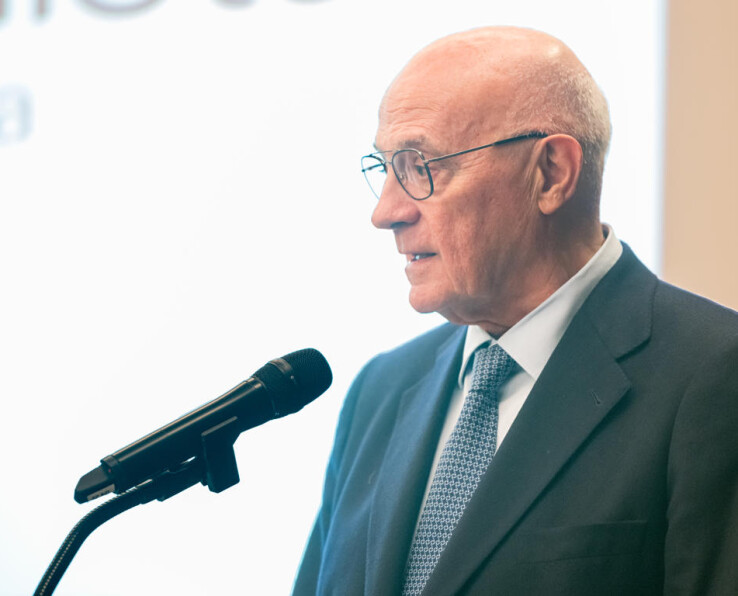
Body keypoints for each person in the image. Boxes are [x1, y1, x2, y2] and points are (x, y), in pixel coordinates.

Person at [292, 26, 738, 595]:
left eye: (421, 167)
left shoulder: (714, 375)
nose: (386, 213)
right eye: (385, 168)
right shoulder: (380, 391)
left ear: (551, 173)